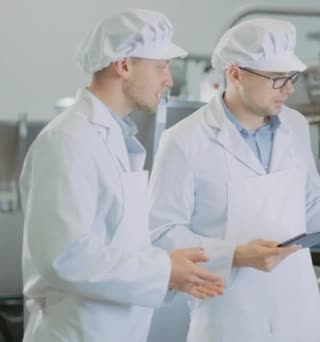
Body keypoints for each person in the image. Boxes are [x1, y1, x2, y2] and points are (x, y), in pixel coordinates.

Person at [149, 18, 320, 341]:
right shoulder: (184, 141)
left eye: (291, 76)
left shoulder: (295, 126)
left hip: (298, 311)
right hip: (229, 316)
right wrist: (235, 254)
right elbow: (161, 234)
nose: (289, 88)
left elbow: (309, 207)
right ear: (235, 73)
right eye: (277, 78)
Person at [19, 8, 223, 342]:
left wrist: (172, 270)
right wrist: (164, 269)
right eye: (161, 66)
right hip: (75, 332)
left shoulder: (114, 137)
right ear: (124, 65)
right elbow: (66, 256)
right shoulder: (67, 141)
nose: (168, 80)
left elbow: (118, 244)